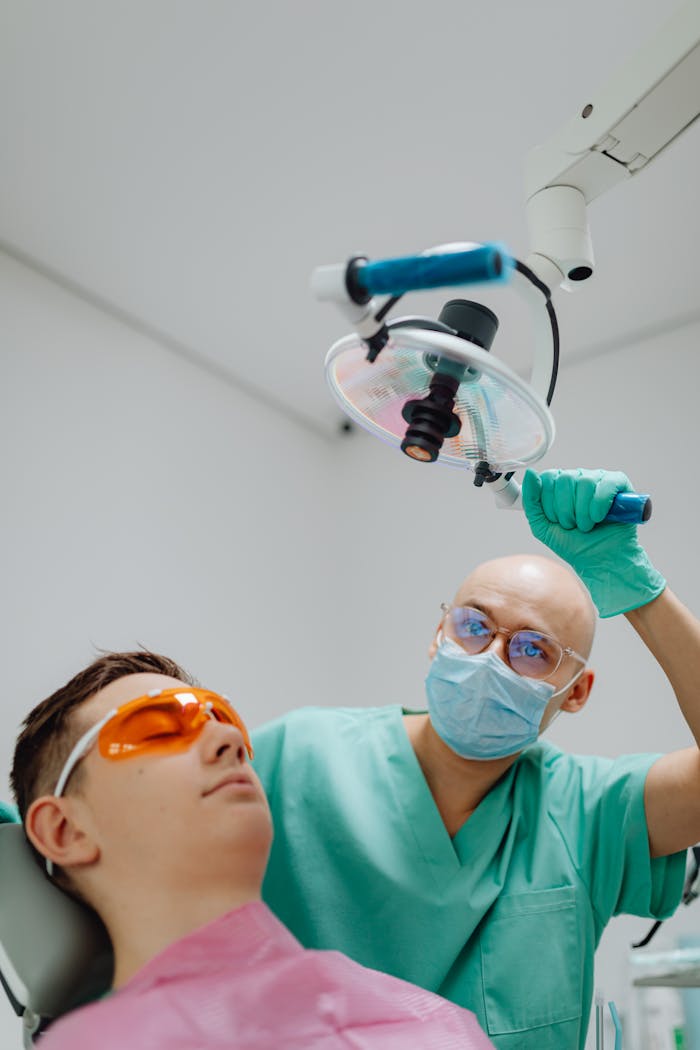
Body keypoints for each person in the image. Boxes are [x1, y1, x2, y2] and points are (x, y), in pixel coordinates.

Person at [252, 468, 699, 1050]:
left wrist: (643, 595)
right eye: (473, 627)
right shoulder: (298, 756)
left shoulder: (590, 812)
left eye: (531, 649)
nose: (490, 658)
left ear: (578, 691)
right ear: (438, 632)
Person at [12, 652, 494, 1050]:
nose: (229, 739)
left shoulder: (440, 1027)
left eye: (224, 720)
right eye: (157, 728)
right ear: (64, 830)